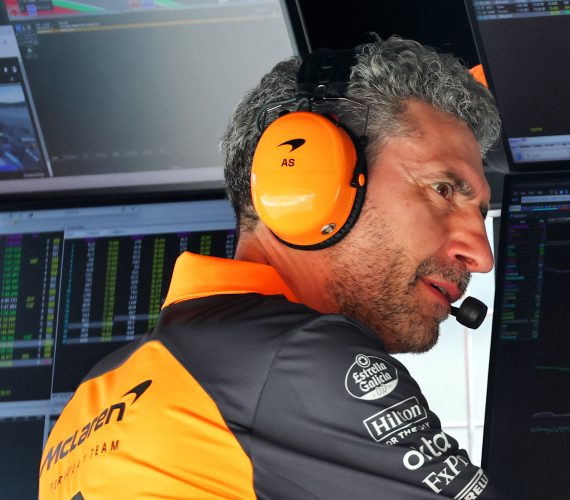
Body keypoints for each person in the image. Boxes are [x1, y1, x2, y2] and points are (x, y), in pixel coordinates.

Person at [38, 36, 502, 499]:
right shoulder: (299, 361)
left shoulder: (91, 400)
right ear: (307, 179)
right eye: (443, 190)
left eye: (480, 214)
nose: (482, 256)